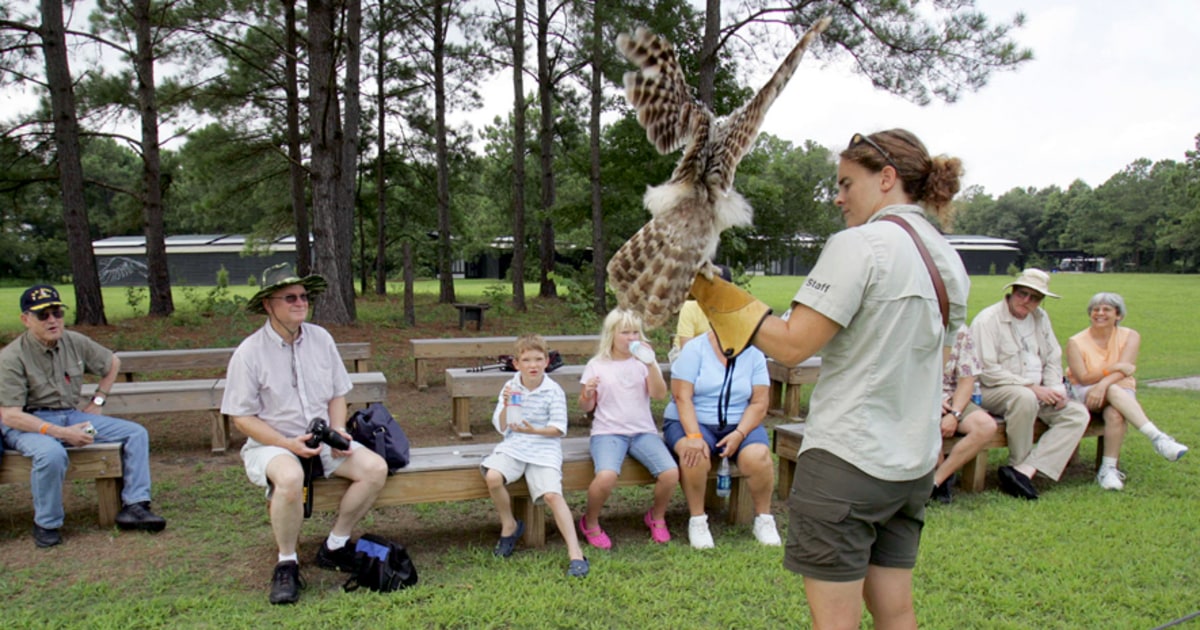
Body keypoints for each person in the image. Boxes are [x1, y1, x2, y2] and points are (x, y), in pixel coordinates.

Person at [687, 129, 970, 628]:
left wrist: (708, 290)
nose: (838, 197)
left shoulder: (858, 245)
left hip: (849, 461)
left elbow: (794, 344)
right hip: (912, 466)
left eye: (846, 183)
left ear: (886, 179)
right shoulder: (948, 258)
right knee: (897, 612)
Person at [221, 264, 388, 605]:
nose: (300, 303)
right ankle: (287, 562)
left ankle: (335, 545)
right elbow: (241, 417)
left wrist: (339, 430)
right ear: (269, 304)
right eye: (290, 297)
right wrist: (285, 443)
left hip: (322, 436)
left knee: (375, 468)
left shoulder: (321, 338)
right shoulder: (249, 352)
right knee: (290, 476)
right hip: (272, 441)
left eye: (304, 297)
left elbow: (337, 394)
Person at [1, 284, 168, 548]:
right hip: (29, 425)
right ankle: (47, 523)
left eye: (57, 312)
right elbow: (10, 416)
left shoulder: (74, 341)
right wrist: (63, 434)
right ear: (25, 319)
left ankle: (135, 506)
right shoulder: (11, 357)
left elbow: (112, 362)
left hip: (70, 416)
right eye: (43, 315)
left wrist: (98, 400)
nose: (53, 320)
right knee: (51, 454)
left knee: (135, 433)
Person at [970, 268, 1090, 501]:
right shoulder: (988, 320)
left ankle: (1024, 471)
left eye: (1034, 298)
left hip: (1039, 389)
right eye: (1022, 294)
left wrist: (1056, 388)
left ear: (1041, 301)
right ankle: (1018, 461)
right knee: (1023, 398)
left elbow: (1053, 357)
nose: (1026, 301)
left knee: (1077, 414)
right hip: (992, 390)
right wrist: (1031, 387)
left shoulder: (1041, 319)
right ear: (1012, 292)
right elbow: (986, 370)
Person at [482, 333, 588, 578]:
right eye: (527, 360)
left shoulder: (553, 390)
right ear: (517, 363)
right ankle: (509, 524)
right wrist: (507, 406)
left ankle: (575, 552)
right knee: (493, 477)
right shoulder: (511, 387)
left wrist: (534, 430)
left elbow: (559, 428)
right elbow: (500, 426)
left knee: (552, 494)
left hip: (544, 446)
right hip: (515, 444)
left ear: (547, 362)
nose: (533, 365)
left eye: (538, 359)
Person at [663, 329, 780, 550]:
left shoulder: (754, 354)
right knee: (694, 454)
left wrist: (739, 433)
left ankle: (764, 518)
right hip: (691, 419)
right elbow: (682, 396)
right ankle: (697, 520)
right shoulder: (694, 350)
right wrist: (694, 436)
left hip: (739, 421)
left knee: (758, 456)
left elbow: (759, 403)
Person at [1065, 292, 1188, 490]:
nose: (1100, 313)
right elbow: (1083, 377)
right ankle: (1157, 438)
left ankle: (1108, 469)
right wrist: (1112, 369)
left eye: (1106, 309)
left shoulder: (1130, 336)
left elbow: (1127, 369)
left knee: (1115, 413)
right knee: (1113, 391)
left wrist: (1104, 385)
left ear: (1118, 315)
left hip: (1118, 388)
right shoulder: (1076, 342)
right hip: (1085, 391)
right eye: (1095, 309)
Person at [577, 309, 676, 548]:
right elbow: (586, 405)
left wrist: (651, 364)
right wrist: (587, 393)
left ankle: (657, 516)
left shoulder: (643, 363)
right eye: (625, 332)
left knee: (671, 473)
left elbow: (659, 394)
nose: (631, 338)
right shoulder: (597, 364)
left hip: (643, 432)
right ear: (611, 334)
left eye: (635, 332)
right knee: (607, 475)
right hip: (608, 432)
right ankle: (590, 522)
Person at [929, 326, 998, 504]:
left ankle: (937, 481)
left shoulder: (960, 332)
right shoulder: (912, 324)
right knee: (928, 422)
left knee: (986, 426)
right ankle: (930, 480)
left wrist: (955, 413)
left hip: (952, 396)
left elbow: (966, 380)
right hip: (919, 396)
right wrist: (931, 401)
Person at [670, 265, 732, 363]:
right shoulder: (689, 307)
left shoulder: (732, 311)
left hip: (719, 355)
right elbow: (686, 348)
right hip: (685, 353)